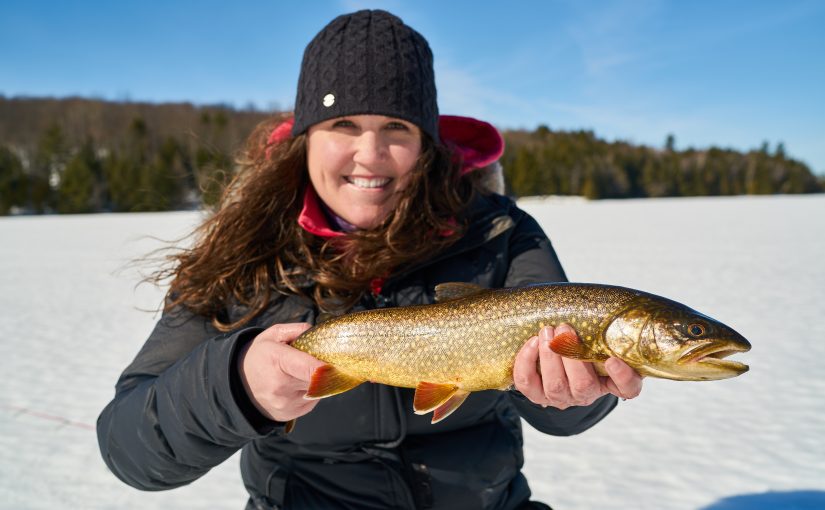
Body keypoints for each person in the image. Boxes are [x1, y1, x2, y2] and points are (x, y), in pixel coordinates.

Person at [97, 9, 643, 510]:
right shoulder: (245, 251)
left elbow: (565, 404)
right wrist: (236, 385)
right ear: (305, 139)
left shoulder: (499, 232)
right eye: (344, 126)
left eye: (396, 129)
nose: (370, 154)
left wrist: (574, 395)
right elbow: (130, 447)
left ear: (426, 143)